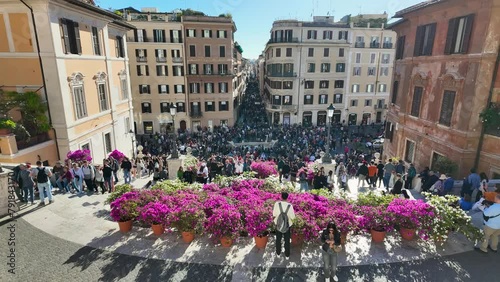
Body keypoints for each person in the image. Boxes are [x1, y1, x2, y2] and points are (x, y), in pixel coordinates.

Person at [273, 192, 295, 259]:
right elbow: (293, 217)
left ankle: (278, 253)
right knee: (287, 240)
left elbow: (274, 214)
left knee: (278, 239)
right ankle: (287, 254)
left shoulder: (277, 204)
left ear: (281, 197)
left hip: (278, 224)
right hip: (287, 225)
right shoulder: (290, 205)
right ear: (287, 197)